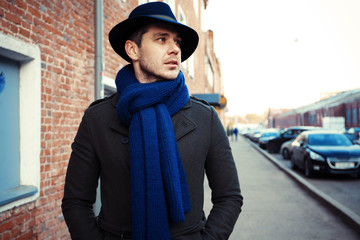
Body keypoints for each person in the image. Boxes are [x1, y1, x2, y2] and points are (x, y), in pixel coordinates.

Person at [62, 2, 243, 240]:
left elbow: (229, 196)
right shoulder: (98, 118)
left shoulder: (204, 117)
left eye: (177, 41)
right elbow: (76, 201)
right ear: (132, 50)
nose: (175, 49)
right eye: (161, 39)